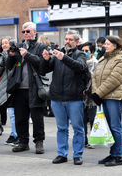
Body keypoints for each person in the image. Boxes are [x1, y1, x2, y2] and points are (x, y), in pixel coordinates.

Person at [41, 30, 87, 165]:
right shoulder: (58, 54)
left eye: (70, 39)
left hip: (74, 98)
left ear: (77, 42)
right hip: (57, 98)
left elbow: (80, 67)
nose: (67, 41)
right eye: (66, 39)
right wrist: (45, 60)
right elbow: (43, 70)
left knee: (78, 128)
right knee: (61, 128)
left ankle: (78, 154)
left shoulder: (80, 54)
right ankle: (62, 154)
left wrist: (64, 58)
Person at [7, 22, 47, 154]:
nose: (25, 34)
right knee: (20, 117)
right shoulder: (19, 46)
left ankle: (39, 142)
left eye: (28, 31)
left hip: (34, 88)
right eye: (23, 32)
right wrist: (11, 55)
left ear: (35, 32)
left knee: (37, 118)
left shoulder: (41, 46)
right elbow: (9, 66)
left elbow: (42, 65)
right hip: (19, 89)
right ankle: (23, 142)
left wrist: (27, 55)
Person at [91, 36, 122, 166]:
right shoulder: (103, 58)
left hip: (114, 97)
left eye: (107, 44)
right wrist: (96, 93)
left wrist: (98, 93)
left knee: (115, 127)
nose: (104, 46)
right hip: (103, 96)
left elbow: (114, 79)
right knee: (109, 127)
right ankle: (112, 154)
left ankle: (118, 156)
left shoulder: (121, 60)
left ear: (115, 45)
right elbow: (95, 76)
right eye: (105, 44)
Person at [0, 37, 18, 145]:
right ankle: (14, 134)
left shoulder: (16, 54)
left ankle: (15, 134)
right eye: (2, 43)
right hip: (5, 87)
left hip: (16, 86)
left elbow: (16, 68)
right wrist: (2, 62)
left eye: (6, 43)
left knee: (14, 113)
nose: (4, 45)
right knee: (11, 112)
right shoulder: (0, 55)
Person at [81, 42, 98, 149]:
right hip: (81, 96)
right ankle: (84, 140)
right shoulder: (80, 62)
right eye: (82, 51)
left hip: (92, 96)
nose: (84, 53)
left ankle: (93, 140)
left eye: (86, 51)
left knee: (92, 119)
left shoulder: (96, 63)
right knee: (82, 120)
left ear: (92, 52)